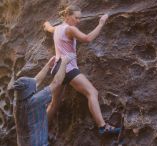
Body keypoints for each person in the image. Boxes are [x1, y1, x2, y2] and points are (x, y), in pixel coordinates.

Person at [43, 5, 121, 135]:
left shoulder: (57, 28)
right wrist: (101, 24)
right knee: (92, 92)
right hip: (67, 68)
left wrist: (45, 24)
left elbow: (49, 28)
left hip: (57, 69)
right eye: (76, 18)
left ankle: (38, 129)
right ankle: (103, 127)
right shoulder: (70, 29)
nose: (78, 21)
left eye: (80, 18)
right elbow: (87, 39)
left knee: (54, 103)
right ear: (68, 16)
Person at [11, 55, 71, 146]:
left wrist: (48, 66)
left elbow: (36, 81)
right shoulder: (34, 102)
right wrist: (64, 62)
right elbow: (56, 82)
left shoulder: (16, 101)